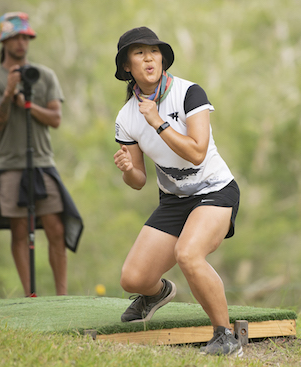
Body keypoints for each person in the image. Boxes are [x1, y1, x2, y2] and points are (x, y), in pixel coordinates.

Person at [112, 26, 242, 357]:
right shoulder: (126, 117)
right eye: (139, 53)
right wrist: (128, 171)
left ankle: (226, 336)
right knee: (133, 279)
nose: (148, 57)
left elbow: (197, 152)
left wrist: (158, 122)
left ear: (162, 58)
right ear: (127, 66)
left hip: (215, 191)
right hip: (173, 200)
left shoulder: (189, 93)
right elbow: (139, 180)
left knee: (188, 254)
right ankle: (156, 294)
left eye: (153, 51)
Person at [0, 12, 83, 297]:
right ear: (4, 41)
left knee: (56, 228)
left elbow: (55, 119)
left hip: (42, 162)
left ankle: (61, 296)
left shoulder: (44, 75)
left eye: (26, 37)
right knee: (19, 229)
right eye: (16, 37)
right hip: (9, 165)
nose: (22, 43)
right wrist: (7, 94)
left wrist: (25, 104)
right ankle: (30, 296)